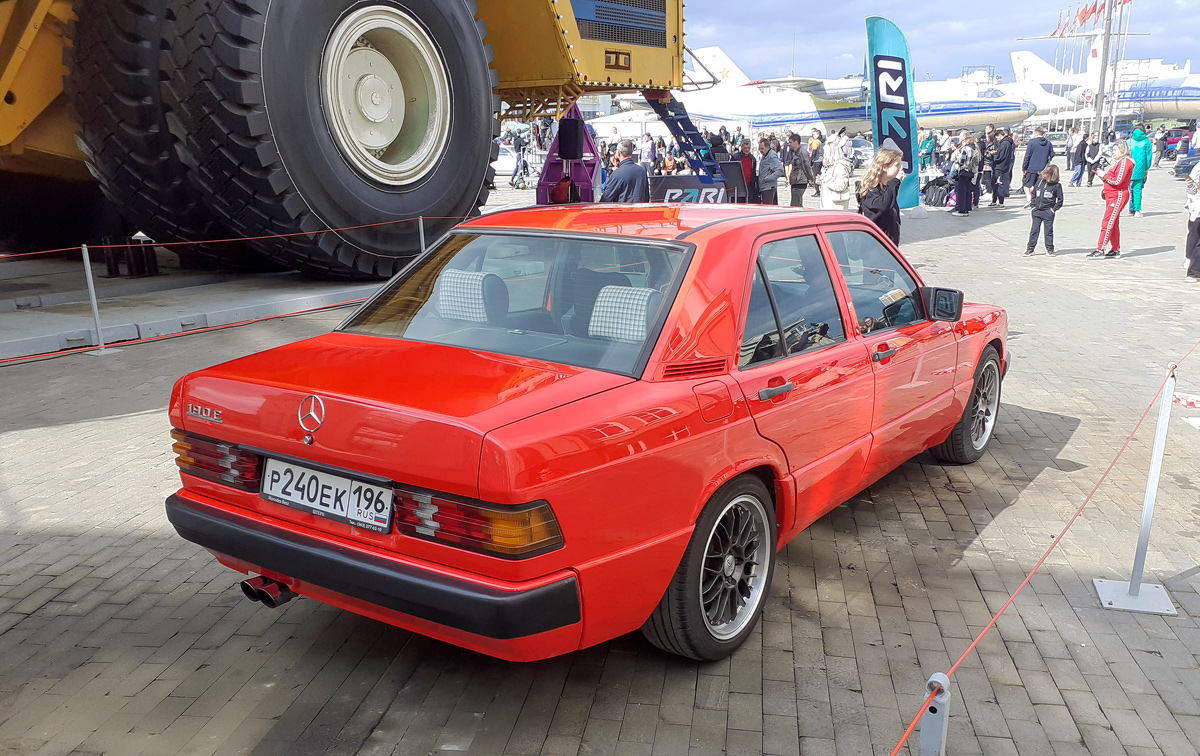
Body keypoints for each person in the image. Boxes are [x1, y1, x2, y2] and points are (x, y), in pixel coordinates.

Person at [1089, 140, 1134, 259]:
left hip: (1118, 194)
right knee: (1113, 222)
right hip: (1111, 194)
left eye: (1115, 150)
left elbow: (1118, 180)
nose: (1113, 152)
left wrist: (1105, 176)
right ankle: (1115, 248)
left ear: (1122, 150)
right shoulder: (1119, 161)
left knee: (1107, 221)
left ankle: (1101, 249)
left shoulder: (1125, 161)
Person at [858, 147, 904, 245]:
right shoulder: (870, 190)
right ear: (884, 167)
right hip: (875, 247)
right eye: (897, 165)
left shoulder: (886, 188)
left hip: (889, 246)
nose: (900, 169)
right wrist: (895, 182)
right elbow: (882, 206)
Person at [1025, 164, 1064, 256]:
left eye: (1046, 173)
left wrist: (1053, 210)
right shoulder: (1039, 182)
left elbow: (1060, 200)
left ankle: (1050, 249)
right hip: (1037, 211)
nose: (1043, 175)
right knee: (1034, 230)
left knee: (1048, 231)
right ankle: (1030, 249)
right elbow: (1034, 194)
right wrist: (1033, 206)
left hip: (1048, 212)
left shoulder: (1056, 186)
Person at [1020, 127, 1055, 207]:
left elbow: (1027, 156)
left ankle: (1029, 199)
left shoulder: (1032, 142)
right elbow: (1052, 154)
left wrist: (1024, 167)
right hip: (1043, 168)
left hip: (1031, 168)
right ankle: (1037, 200)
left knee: (1026, 185)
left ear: (1036, 133)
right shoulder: (1049, 143)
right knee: (1039, 185)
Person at [819, 136, 853, 210]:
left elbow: (841, 186)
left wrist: (826, 179)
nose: (824, 156)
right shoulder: (829, 167)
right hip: (828, 206)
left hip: (837, 206)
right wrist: (821, 182)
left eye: (826, 154)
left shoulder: (840, 167)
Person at [950, 132, 979, 216]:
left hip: (964, 171)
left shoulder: (966, 149)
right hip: (971, 172)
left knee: (962, 191)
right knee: (968, 191)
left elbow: (962, 161)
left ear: (966, 139)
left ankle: (961, 210)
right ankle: (967, 209)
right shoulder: (974, 148)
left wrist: (957, 154)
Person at [1129, 125, 1152, 218]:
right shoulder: (1146, 141)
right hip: (1140, 168)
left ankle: (1127, 208)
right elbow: (1149, 157)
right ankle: (1137, 210)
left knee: (1126, 189)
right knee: (1137, 190)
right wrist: (1146, 168)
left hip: (1129, 168)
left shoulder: (1129, 141)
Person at [786, 133, 815, 207]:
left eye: (790, 142)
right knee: (797, 204)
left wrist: (810, 178)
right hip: (795, 181)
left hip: (800, 181)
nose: (789, 144)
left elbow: (806, 167)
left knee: (795, 205)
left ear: (796, 142)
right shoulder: (795, 152)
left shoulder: (802, 152)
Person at [756, 138, 785, 205]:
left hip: (768, 188)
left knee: (768, 208)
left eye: (762, 148)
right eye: (759, 148)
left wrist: (768, 178)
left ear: (767, 147)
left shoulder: (771, 156)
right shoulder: (765, 155)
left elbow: (780, 170)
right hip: (765, 187)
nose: (760, 150)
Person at [992, 129, 1016, 206]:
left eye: (997, 137)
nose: (997, 139)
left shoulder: (1005, 143)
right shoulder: (1007, 143)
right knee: (996, 184)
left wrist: (994, 155)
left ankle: (1000, 202)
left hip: (1000, 167)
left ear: (1000, 135)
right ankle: (995, 201)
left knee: (998, 184)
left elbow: (1001, 157)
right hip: (1004, 166)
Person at [1186, 158, 1200, 281]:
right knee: (1196, 241)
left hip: (1195, 212)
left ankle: (1190, 262)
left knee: (1194, 239)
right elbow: (1192, 189)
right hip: (1196, 212)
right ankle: (1193, 271)